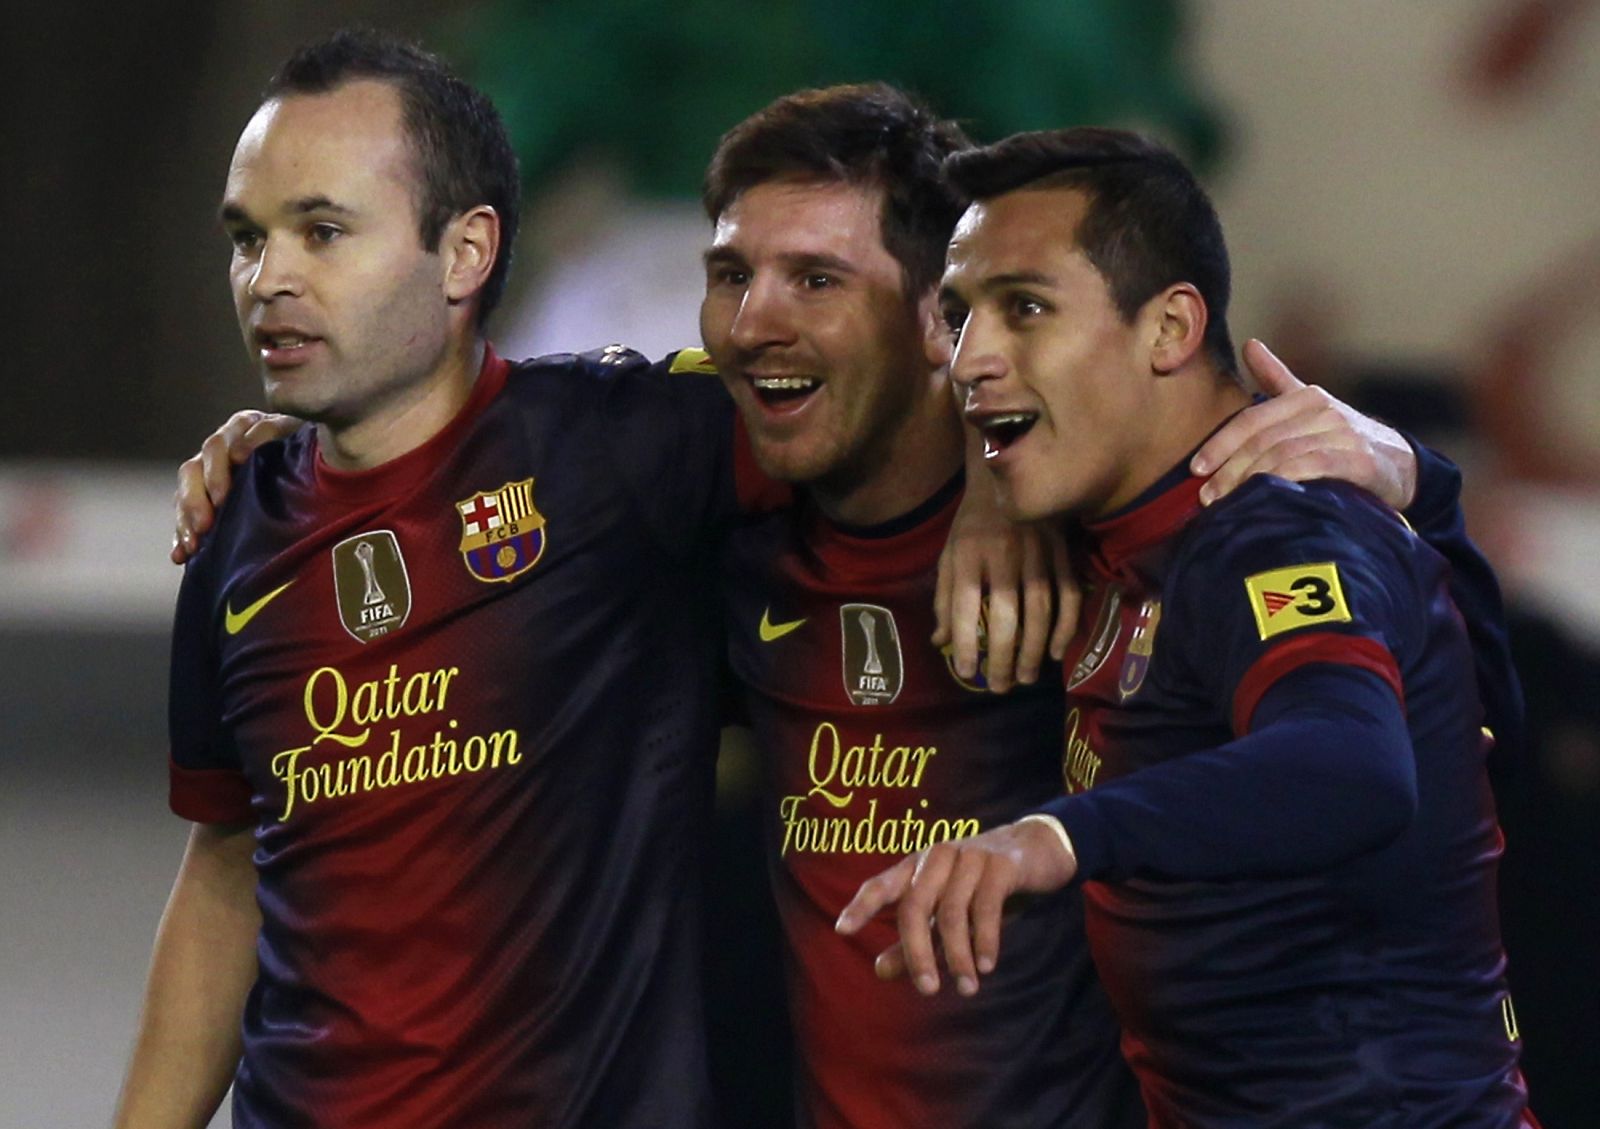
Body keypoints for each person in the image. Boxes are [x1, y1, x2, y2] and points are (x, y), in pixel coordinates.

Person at [171, 77, 1503, 1127]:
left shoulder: (1154, 531)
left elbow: (1397, 722)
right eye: (732, 272)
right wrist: (296, 447)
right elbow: (486, 426)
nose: (756, 319)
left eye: (817, 279)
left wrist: (1405, 475)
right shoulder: (710, 535)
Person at [116, 29, 781, 1128]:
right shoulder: (236, 526)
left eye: (322, 232)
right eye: (248, 238)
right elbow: (231, 863)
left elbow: (878, 415)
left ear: (466, 252)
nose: (267, 277)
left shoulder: (624, 449)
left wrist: (998, 503)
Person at [839, 127, 1536, 1127]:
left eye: (1024, 308)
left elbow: (1351, 764)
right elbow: (1474, 719)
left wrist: (1048, 840)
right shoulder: (1119, 525)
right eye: (960, 315)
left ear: (1169, 330)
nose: (971, 358)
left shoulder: (1271, 531)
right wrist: (1432, 495)